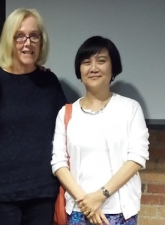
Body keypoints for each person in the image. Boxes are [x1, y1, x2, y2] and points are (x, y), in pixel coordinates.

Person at [0, 8, 67, 225]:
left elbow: (66, 130)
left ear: (41, 41)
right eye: (20, 36)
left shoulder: (49, 82)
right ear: (9, 39)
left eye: (34, 35)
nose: (28, 43)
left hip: (42, 192)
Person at [51, 35, 149, 225]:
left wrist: (100, 196)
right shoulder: (66, 113)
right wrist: (86, 201)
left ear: (113, 67)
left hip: (121, 212)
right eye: (86, 62)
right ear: (79, 69)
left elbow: (137, 156)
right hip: (80, 211)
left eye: (101, 61)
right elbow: (58, 163)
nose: (93, 68)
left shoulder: (130, 108)